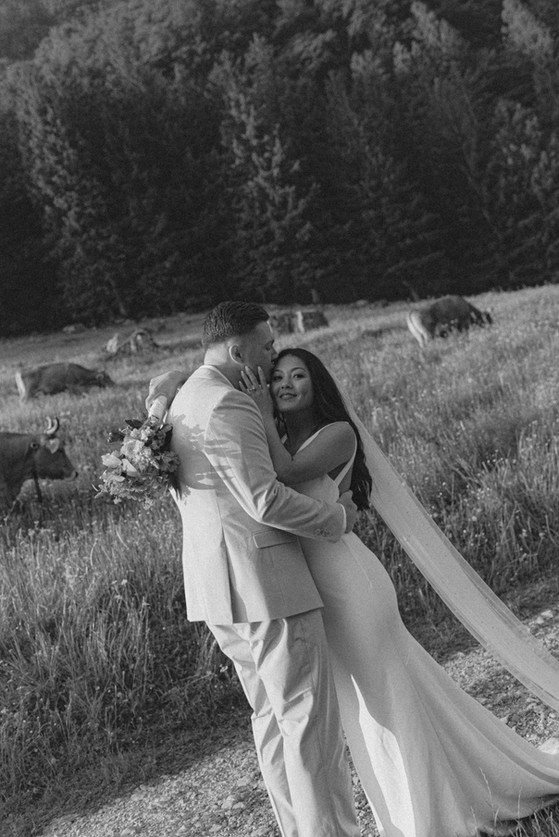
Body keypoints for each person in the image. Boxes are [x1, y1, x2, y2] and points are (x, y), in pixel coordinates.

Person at [233, 346, 559, 837]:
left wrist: (257, 412)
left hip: (351, 583)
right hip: (314, 590)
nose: (284, 385)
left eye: (297, 376)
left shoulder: (336, 434)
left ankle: (425, 821)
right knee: (366, 703)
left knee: (387, 698)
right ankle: (466, 788)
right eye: (276, 377)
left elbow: (281, 476)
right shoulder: (280, 434)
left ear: (316, 384)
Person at [151, 302, 361, 837]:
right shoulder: (229, 404)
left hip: (217, 588)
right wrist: (335, 519)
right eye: (268, 346)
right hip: (269, 587)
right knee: (310, 728)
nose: (273, 355)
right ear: (238, 349)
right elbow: (264, 501)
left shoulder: (182, 400)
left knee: (271, 721)